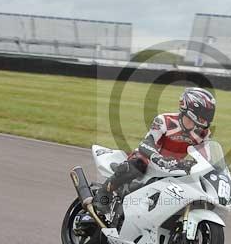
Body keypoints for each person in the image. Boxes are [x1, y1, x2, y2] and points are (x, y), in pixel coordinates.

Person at [92, 87, 216, 217]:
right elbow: (146, 143)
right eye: (205, 112)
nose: (208, 116)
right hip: (148, 160)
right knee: (138, 165)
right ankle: (103, 194)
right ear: (191, 107)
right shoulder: (164, 120)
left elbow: (206, 157)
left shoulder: (203, 133)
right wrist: (158, 158)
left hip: (173, 168)